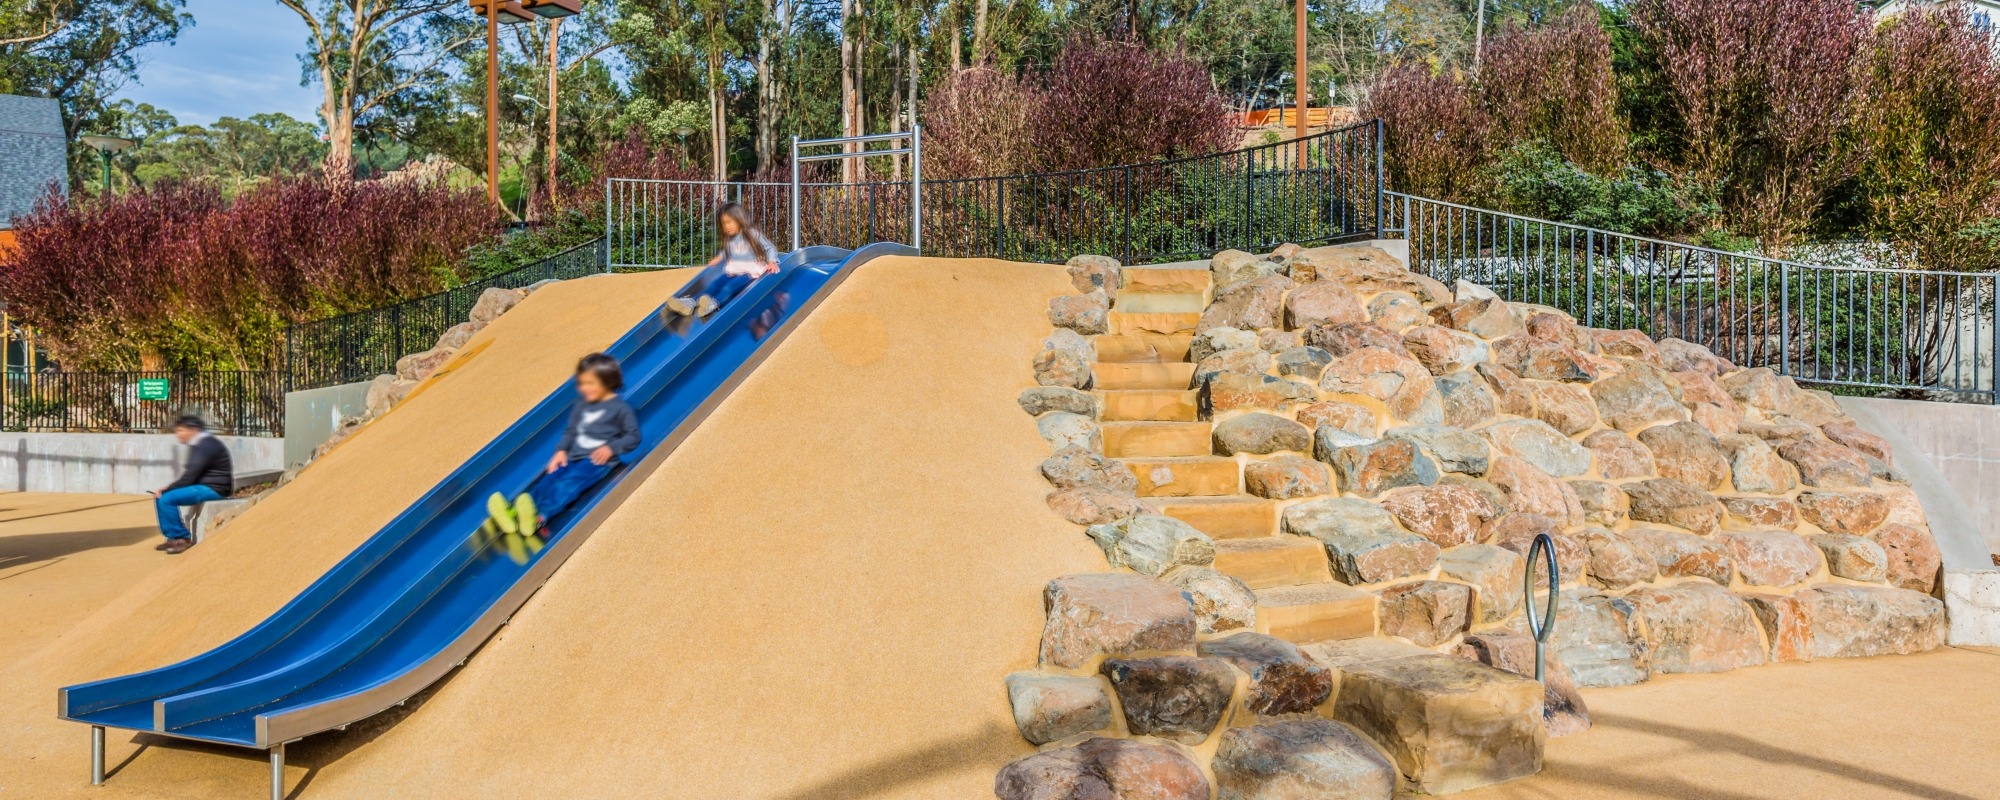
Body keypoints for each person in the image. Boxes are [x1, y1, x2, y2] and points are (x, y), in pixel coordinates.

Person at [484, 353, 640, 563]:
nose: (583, 388)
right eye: (581, 383)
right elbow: (570, 431)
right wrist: (560, 451)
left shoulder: (621, 410)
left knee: (568, 485)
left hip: (597, 462)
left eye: (589, 383)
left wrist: (612, 448)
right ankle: (514, 514)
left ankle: (539, 517)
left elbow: (633, 437)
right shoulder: (583, 406)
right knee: (549, 479)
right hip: (574, 456)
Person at [664, 203, 779, 318]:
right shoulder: (729, 238)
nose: (726, 227)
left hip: (750, 272)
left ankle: (713, 303)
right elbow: (729, 251)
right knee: (714, 285)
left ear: (739, 219)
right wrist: (720, 257)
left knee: (728, 287)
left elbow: (769, 247)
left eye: (729, 222)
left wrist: (772, 262)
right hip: (733, 269)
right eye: (723, 224)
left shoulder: (751, 233)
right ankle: (690, 303)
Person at [152, 415, 233, 555]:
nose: (178, 434)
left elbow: (190, 475)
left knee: (166, 498)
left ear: (193, 429)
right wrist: (168, 488)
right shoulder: (199, 443)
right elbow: (191, 474)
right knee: (160, 497)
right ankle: (172, 538)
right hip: (204, 485)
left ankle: (183, 539)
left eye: (181, 430)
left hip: (215, 489)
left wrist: (169, 488)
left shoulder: (206, 445)